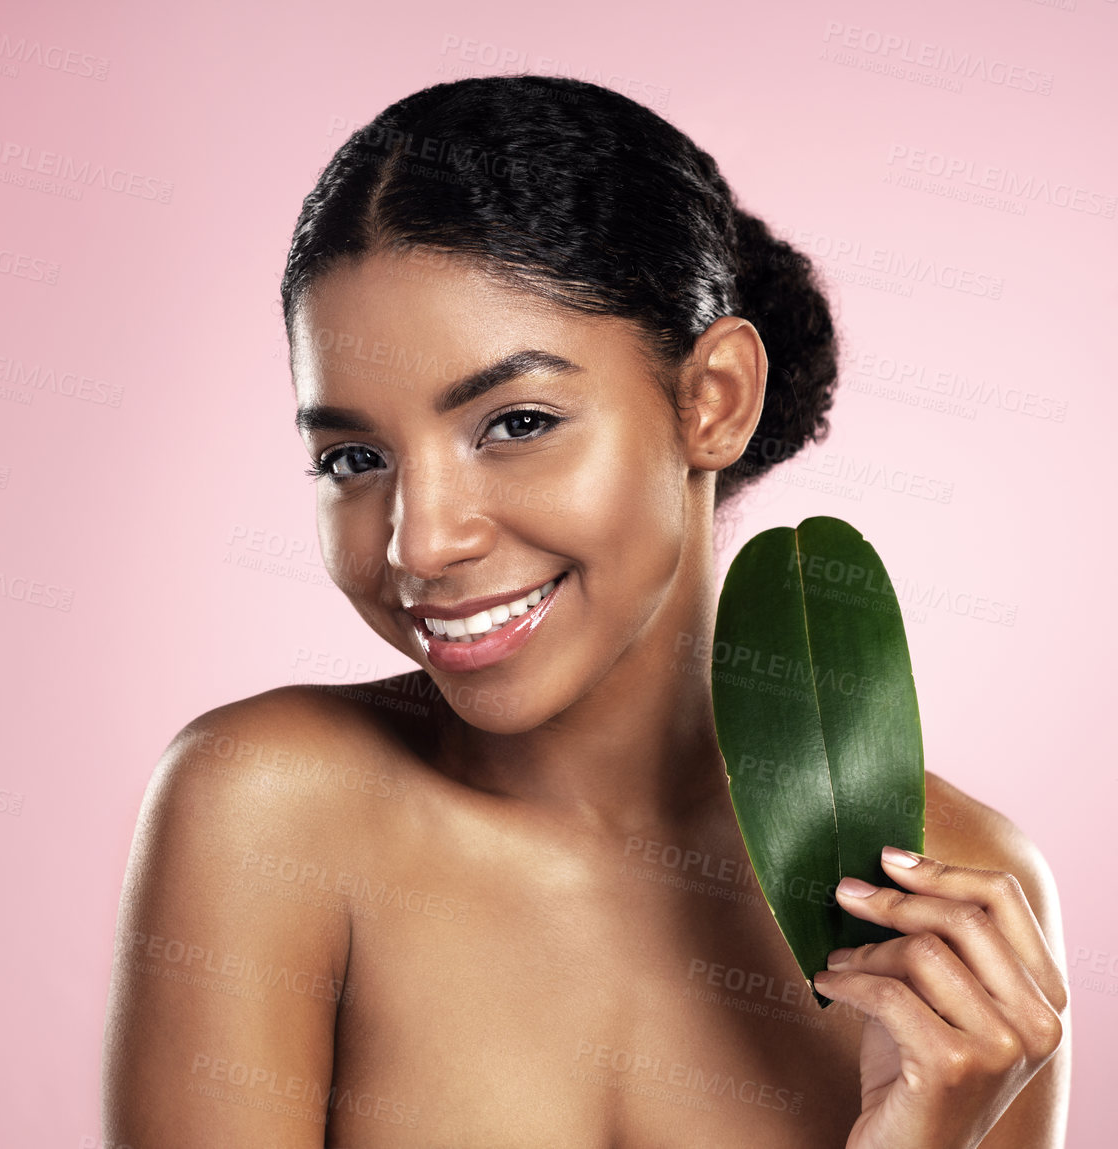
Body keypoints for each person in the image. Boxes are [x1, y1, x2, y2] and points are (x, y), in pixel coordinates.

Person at [102, 74, 1069, 1148]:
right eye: (355, 458)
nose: (420, 542)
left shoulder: (953, 915)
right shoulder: (272, 808)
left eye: (514, 421)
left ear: (712, 400)